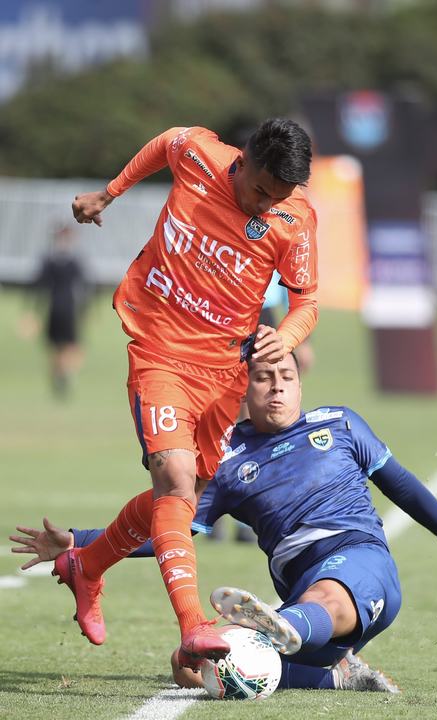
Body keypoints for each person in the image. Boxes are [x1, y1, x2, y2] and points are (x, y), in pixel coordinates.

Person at [11, 353, 437, 692]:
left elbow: (400, 484)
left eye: (286, 377)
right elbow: (170, 526)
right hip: (300, 588)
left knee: (326, 597)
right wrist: (78, 541)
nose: (277, 387)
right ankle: (336, 672)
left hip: (359, 560)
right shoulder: (225, 459)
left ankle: (277, 628)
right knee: (193, 669)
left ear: (300, 384)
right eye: (263, 378)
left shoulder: (340, 423)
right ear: (243, 388)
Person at [60, 119, 318, 669]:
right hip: (159, 350)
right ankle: (194, 627)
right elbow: (165, 142)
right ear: (243, 160)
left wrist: (286, 337)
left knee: (183, 499)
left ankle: (87, 565)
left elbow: (307, 302)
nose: (263, 206)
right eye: (259, 191)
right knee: (175, 479)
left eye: (277, 198)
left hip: (224, 372)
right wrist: (109, 193)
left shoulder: (294, 219)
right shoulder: (199, 154)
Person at [30, 224, 89, 397]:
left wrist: (34, 311)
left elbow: (39, 286)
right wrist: (85, 310)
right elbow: (84, 287)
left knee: (58, 346)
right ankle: (64, 373)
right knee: (68, 345)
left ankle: (59, 373)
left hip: (55, 307)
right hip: (67, 308)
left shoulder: (50, 260)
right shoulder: (72, 261)